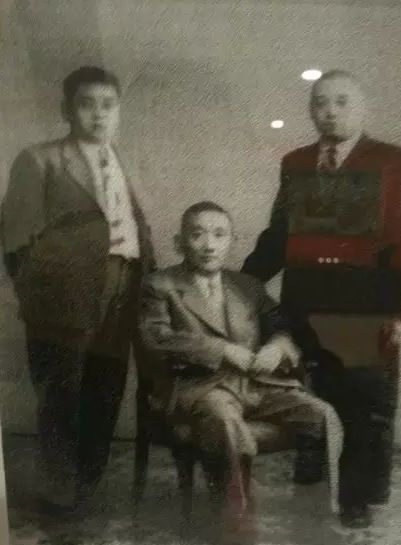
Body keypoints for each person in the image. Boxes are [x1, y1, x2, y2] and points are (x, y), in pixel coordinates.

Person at [242, 69, 401, 527]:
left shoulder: (397, 162)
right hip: (304, 299)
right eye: (320, 102)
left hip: (364, 307)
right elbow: (280, 234)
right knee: (310, 396)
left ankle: (356, 498)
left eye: (342, 101)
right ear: (310, 110)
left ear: (363, 108)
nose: (330, 112)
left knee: (362, 405)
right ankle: (313, 478)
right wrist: (242, 281)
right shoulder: (296, 162)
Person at [140, 201, 342, 544]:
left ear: (232, 242)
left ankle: (317, 521)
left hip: (255, 385)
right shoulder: (160, 285)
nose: (209, 245)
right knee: (225, 422)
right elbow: (157, 339)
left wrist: (277, 346)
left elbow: (281, 325)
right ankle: (236, 528)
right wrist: (223, 350)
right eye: (197, 234)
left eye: (219, 235)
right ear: (179, 242)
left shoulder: (247, 285)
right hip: (200, 388)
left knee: (322, 417)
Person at [1, 66, 156, 514]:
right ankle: (58, 486)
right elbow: (15, 239)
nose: (98, 115)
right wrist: (38, 296)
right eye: (86, 104)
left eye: (108, 105)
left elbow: (138, 225)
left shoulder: (126, 161)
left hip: (124, 285)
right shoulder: (41, 160)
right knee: (61, 392)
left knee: (106, 387)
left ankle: (88, 482)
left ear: (119, 111)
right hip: (63, 295)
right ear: (66, 110)